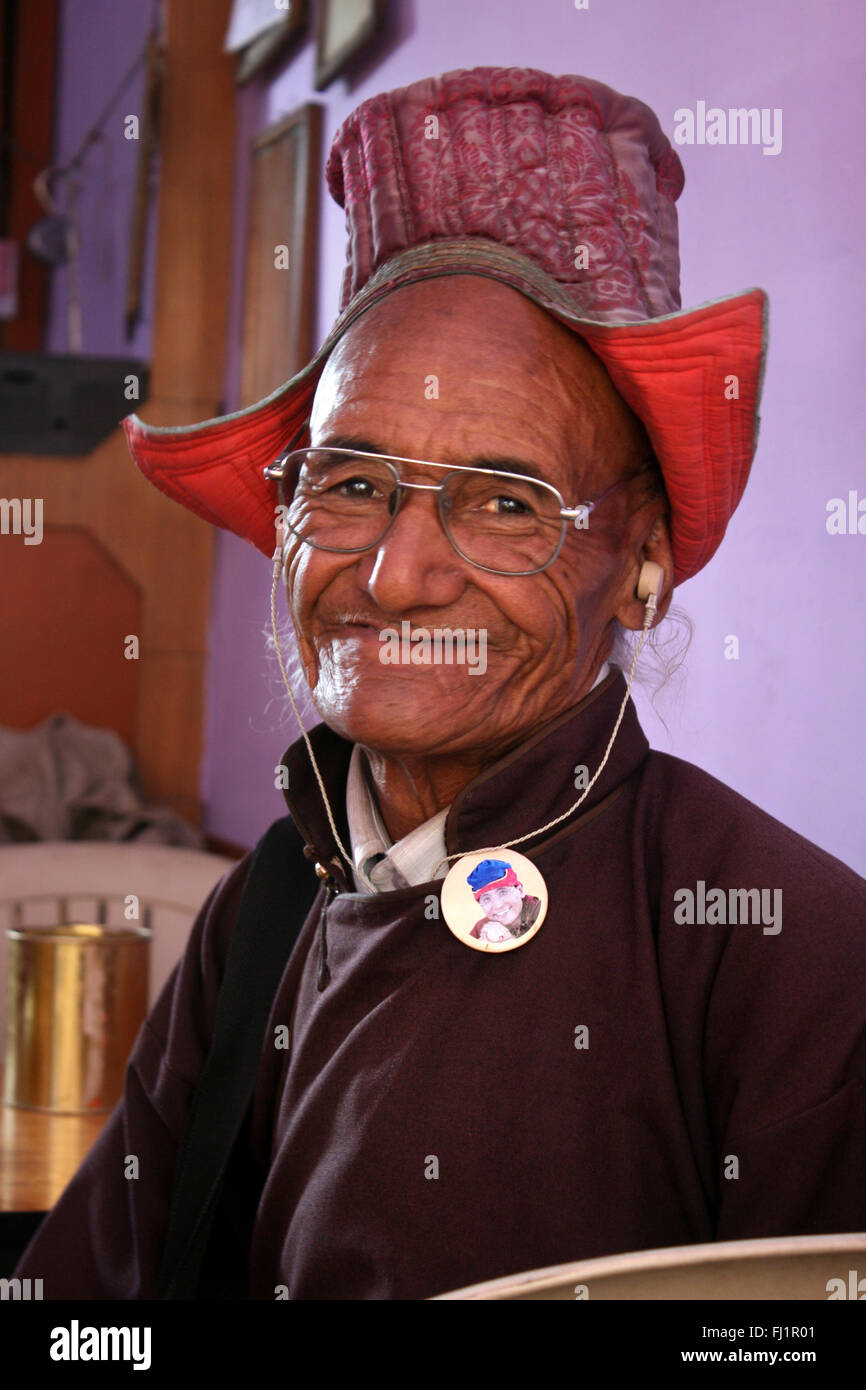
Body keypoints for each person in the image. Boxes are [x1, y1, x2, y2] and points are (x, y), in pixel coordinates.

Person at [14, 67, 866, 1301]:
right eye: (351, 483)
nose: (399, 574)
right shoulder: (260, 914)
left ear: (639, 567)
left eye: (507, 503)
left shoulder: (787, 956)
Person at [468, 860, 540, 941]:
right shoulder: (480, 929)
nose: (498, 905)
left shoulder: (540, 911)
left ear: (520, 891)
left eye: (503, 892)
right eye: (487, 899)